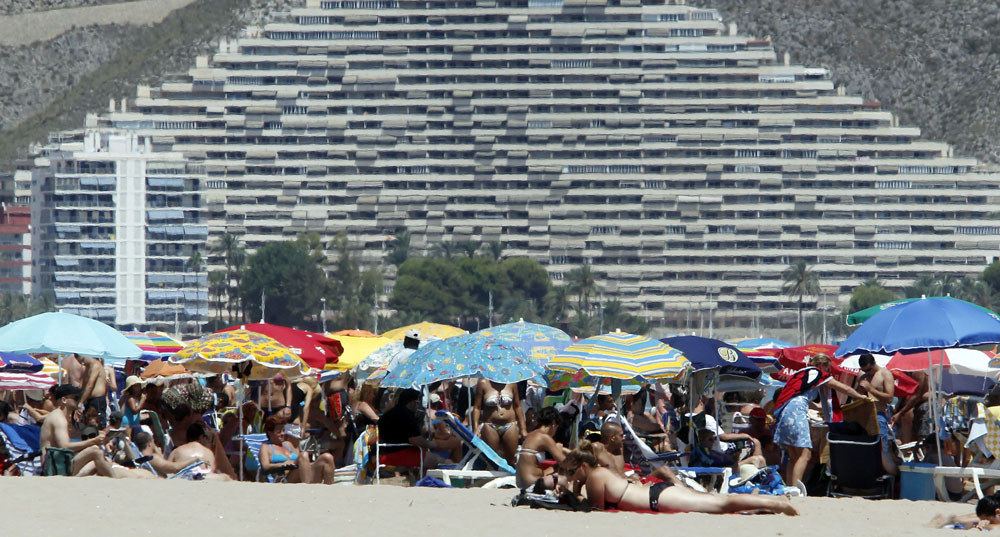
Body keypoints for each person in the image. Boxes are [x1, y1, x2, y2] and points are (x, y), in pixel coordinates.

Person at [559, 441, 797, 515]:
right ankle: (761, 506)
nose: (571, 476)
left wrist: (574, 490)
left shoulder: (595, 476)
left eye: (572, 472)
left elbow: (596, 509)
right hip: (658, 493)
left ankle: (773, 502)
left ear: (582, 466)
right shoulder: (601, 473)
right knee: (716, 504)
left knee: (719, 505)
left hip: (657, 498)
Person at [772, 353, 870, 488]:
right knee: (805, 455)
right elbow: (844, 388)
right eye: (828, 368)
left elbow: (800, 397)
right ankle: (795, 490)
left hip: (784, 411)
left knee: (793, 456)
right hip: (796, 411)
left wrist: (820, 408)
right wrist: (861, 397)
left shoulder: (800, 373)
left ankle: (789, 488)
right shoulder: (818, 373)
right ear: (823, 365)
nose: (828, 372)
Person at [39, 384, 115, 477]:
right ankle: (116, 481)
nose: (79, 400)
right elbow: (65, 446)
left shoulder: (62, 417)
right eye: (76, 398)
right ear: (64, 400)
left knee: (105, 461)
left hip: (59, 463)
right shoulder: (58, 419)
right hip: (54, 467)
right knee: (95, 451)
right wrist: (93, 441)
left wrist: (99, 436)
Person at [378, 389, 450, 472]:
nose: (418, 406)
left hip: (383, 452)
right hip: (400, 453)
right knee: (442, 461)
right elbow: (416, 440)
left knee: (429, 458)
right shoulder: (408, 415)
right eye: (418, 403)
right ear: (412, 403)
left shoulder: (388, 414)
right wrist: (434, 444)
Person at [259, 415, 336, 484]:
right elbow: (265, 467)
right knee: (304, 454)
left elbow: (303, 461)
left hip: (301, 474)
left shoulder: (288, 444)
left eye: (283, 430)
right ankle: (306, 488)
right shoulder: (266, 447)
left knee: (327, 457)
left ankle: (328, 489)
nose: (283, 434)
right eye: (279, 432)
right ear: (270, 433)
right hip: (284, 479)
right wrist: (283, 464)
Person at [473, 379, 526, 466]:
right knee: (491, 459)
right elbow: (477, 407)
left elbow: (517, 406)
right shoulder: (483, 383)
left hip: (510, 425)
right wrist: (476, 429)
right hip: (490, 425)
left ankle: (511, 478)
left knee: (512, 460)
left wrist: (523, 428)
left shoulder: (512, 383)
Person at [516, 406, 568, 490]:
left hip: (522, 482)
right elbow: (565, 463)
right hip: (533, 483)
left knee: (556, 467)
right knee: (564, 477)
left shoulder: (532, 434)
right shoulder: (544, 437)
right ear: (554, 423)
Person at [854, 354, 896, 450]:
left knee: (881, 446)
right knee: (865, 446)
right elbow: (855, 398)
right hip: (864, 415)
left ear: (874, 363)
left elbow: (889, 398)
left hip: (878, 413)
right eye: (864, 370)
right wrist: (859, 392)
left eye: (869, 370)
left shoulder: (885, 374)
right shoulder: (862, 375)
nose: (867, 373)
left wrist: (871, 389)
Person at [76, 354, 109, 428]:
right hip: (90, 401)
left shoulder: (95, 365)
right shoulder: (87, 367)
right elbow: (83, 385)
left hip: (97, 400)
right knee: (89, 424)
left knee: (98, 424)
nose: (82, 363)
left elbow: (90, 385)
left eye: (82, 360)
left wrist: (81, 402)